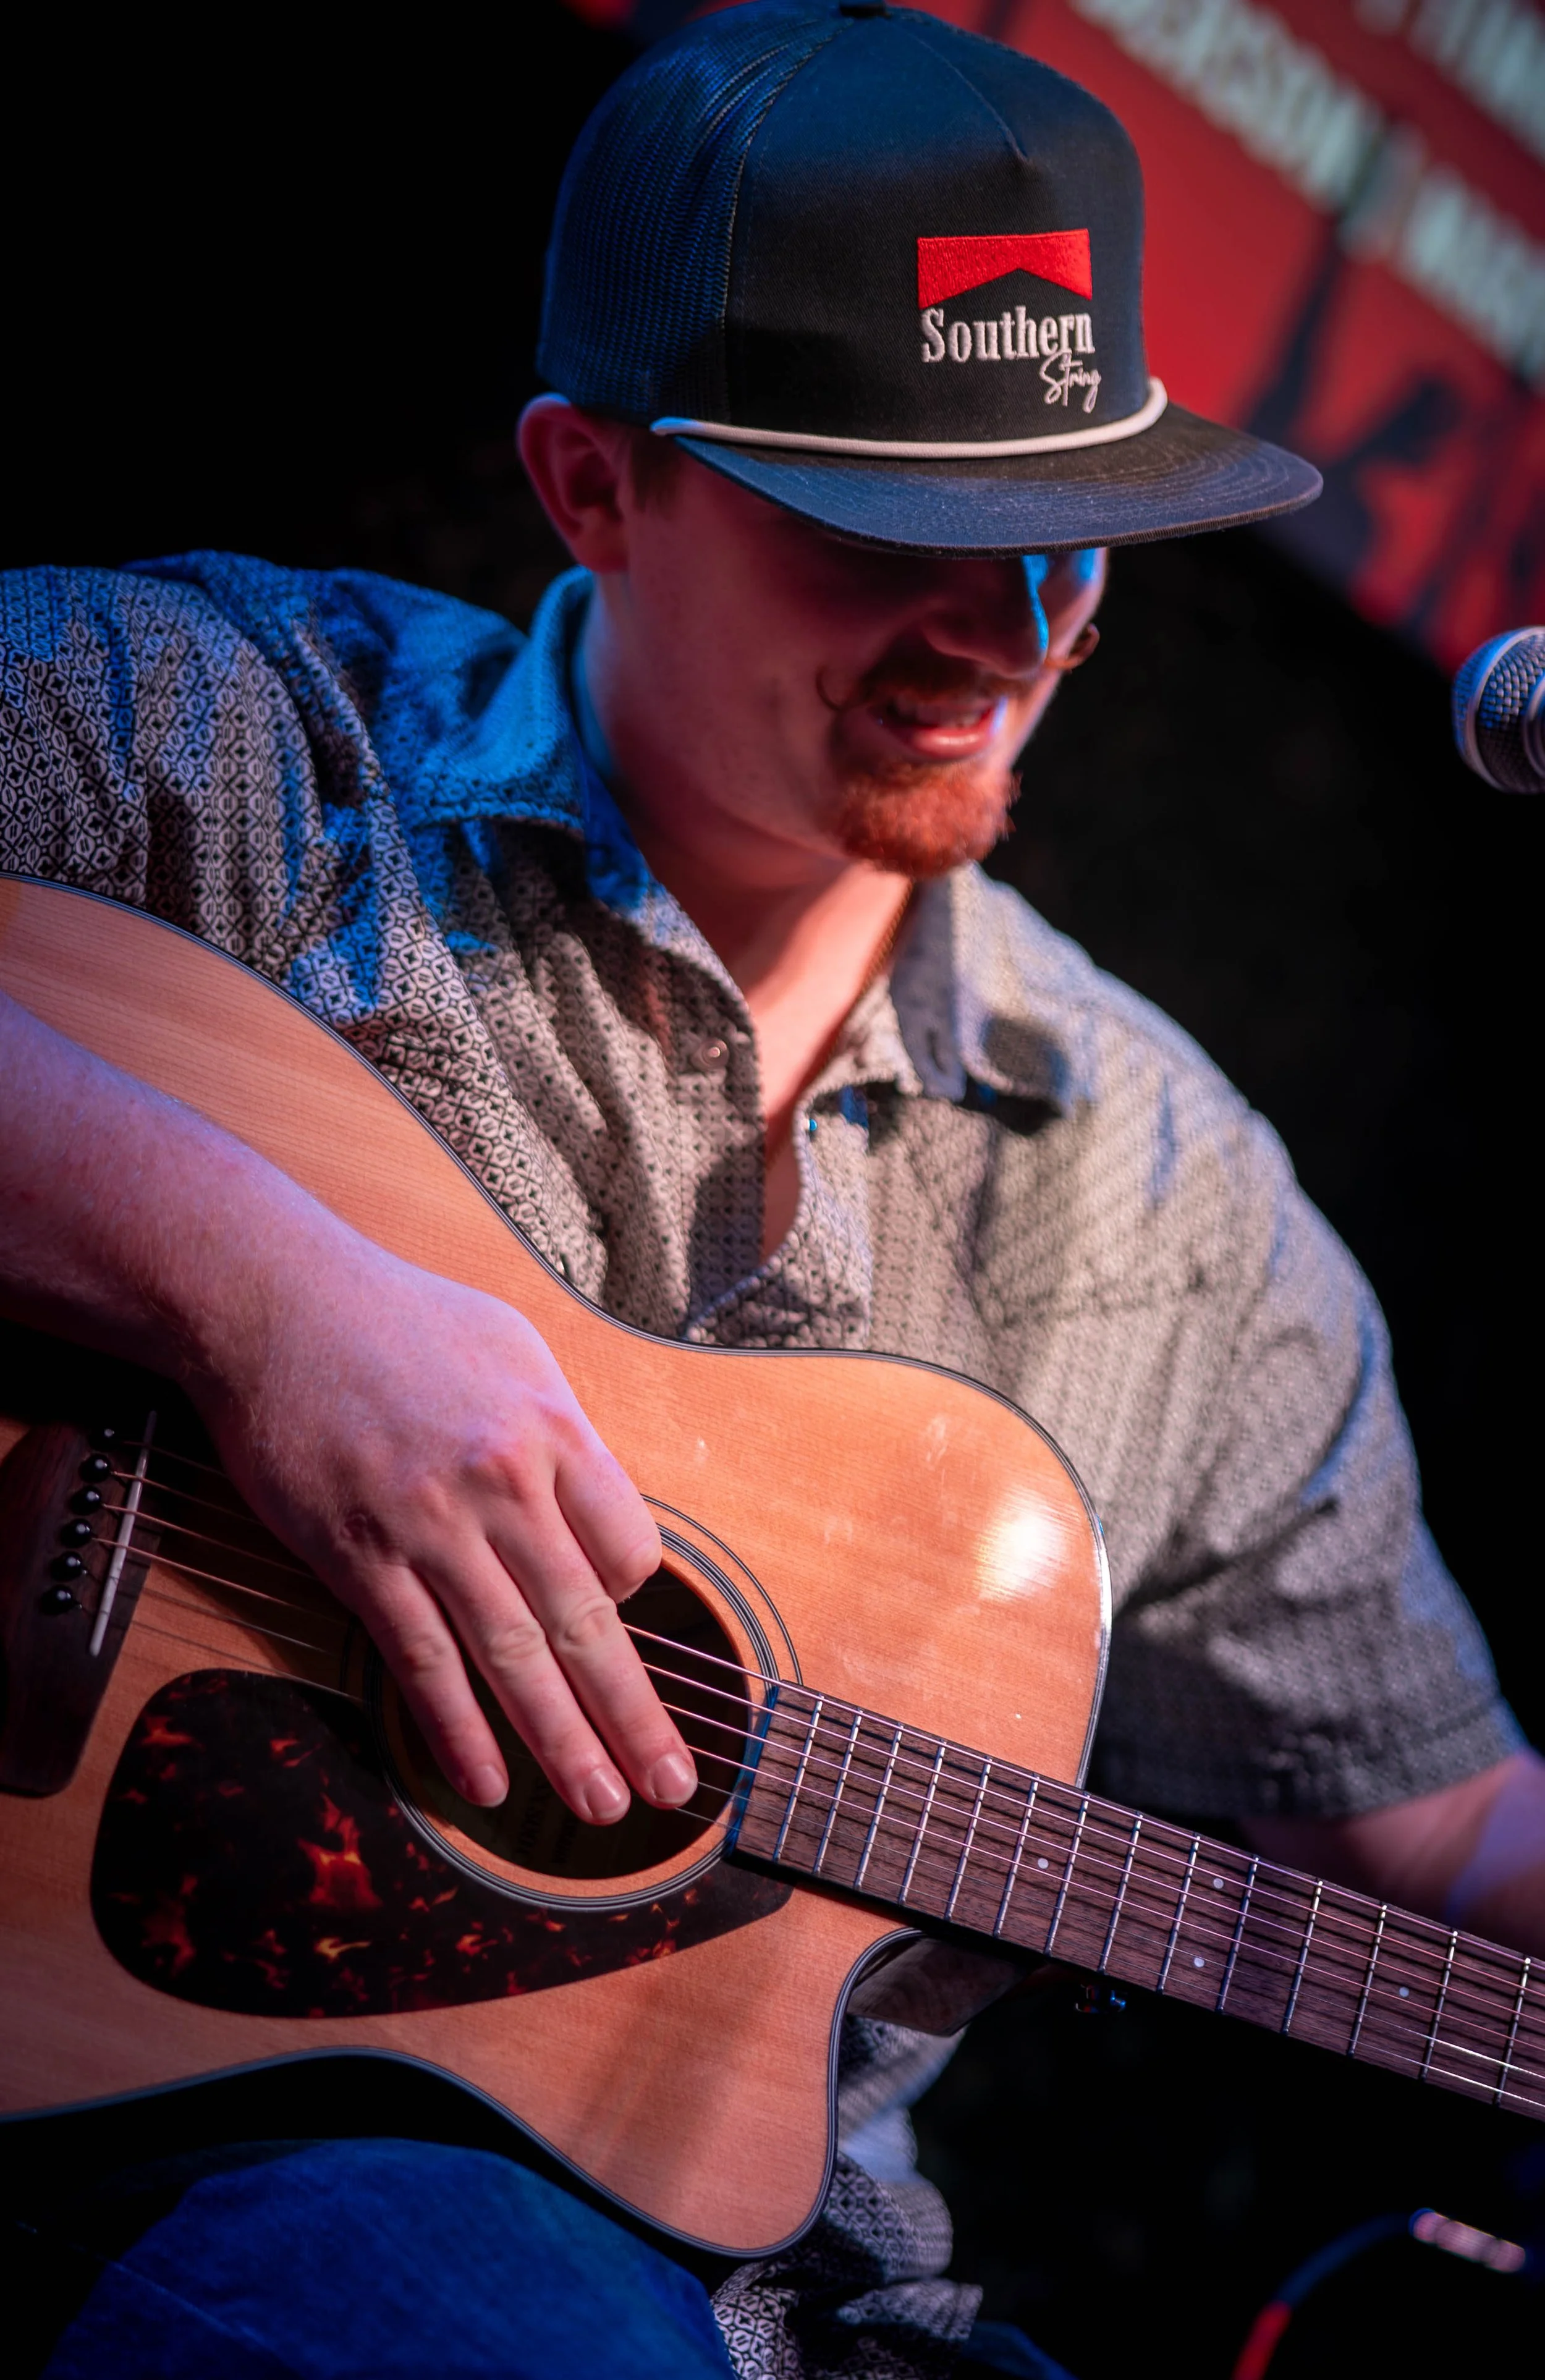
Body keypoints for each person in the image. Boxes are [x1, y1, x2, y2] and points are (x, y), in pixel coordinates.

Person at [2, 6, 1542, 2375]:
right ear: (591, 481)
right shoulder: (227, 746)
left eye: (1075, 540)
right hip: (159, 2162)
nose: (1008, 641)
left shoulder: (1176, 1212)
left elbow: (1427, 1845)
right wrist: (255, 1291)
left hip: (812, 2312)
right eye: (896, 535)